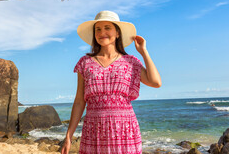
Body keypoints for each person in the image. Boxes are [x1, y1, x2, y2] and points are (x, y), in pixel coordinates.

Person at [61, 10, 161, 154]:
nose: (102, 33)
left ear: (118, 33)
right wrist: (68, 136)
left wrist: (143, 52)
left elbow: (155, 82)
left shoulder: (131, 62)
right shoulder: (85, 63)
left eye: (107, 28)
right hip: (94, 130)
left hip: (125, 130)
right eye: (98, 29)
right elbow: (79, 102)